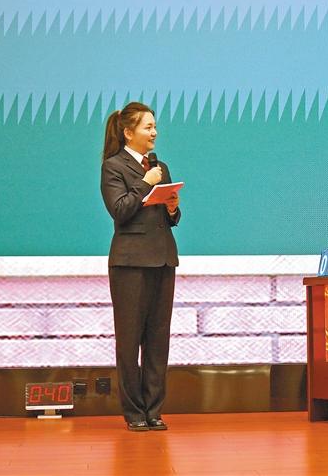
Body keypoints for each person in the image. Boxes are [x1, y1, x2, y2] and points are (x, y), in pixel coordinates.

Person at [101, 102, 181, 432]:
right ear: (128, 132)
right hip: (130, 264)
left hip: (162, 258)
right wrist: (146, 183)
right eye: (148, 127)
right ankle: (134, 412)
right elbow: (120, 210)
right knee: (129, 340)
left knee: (158, 339)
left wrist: (173, 209)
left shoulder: (160, 166)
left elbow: (166, 217)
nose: (154, 133)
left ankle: (153, 410)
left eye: (155, 126)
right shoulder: (113, 166)